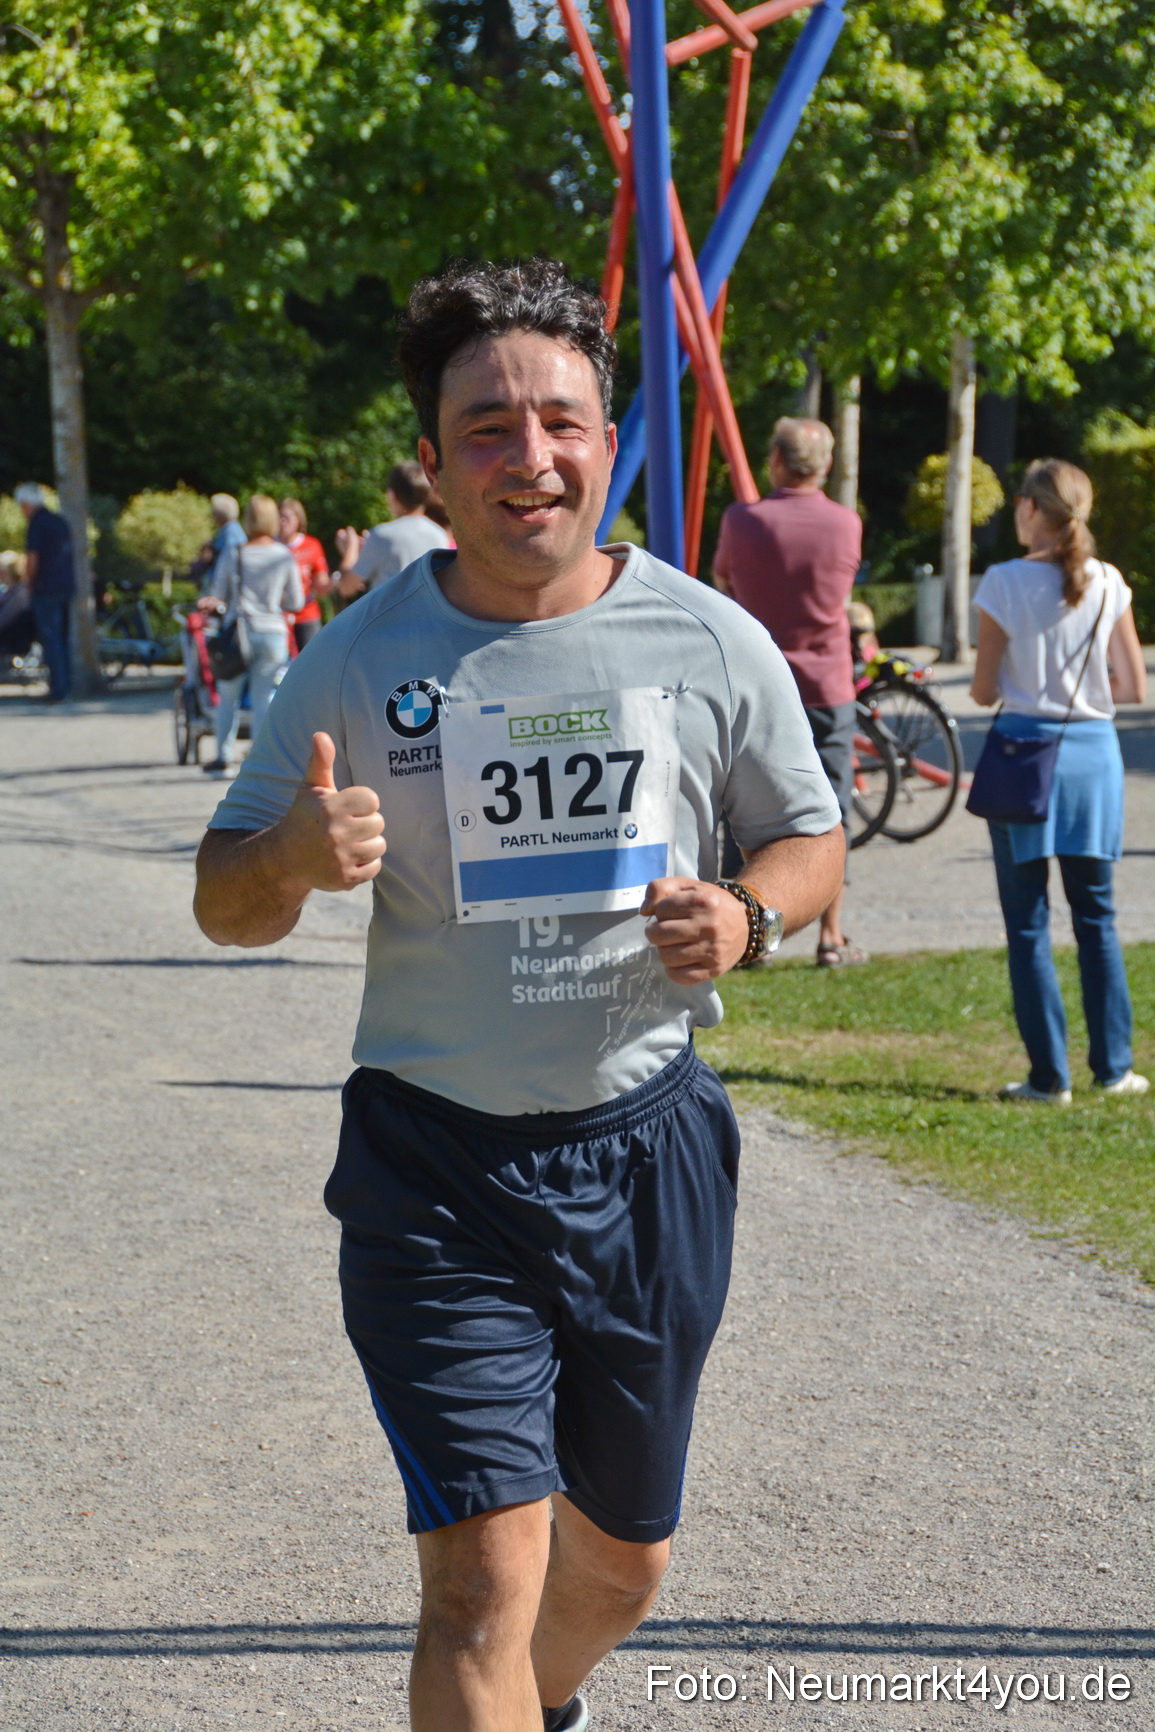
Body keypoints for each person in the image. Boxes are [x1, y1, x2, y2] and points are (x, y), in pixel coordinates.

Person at [193, 258, 843, 1732]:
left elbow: (809, 840)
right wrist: (289, 855)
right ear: (433, 463)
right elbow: (223, 898)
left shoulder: (707, 638)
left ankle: (542, 1707)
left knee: (616, 1570)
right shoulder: (358, 659)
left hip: (646, 1150)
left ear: (608, 445)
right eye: (485, 428)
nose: (527, 456)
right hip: (435, 1167)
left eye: (559, 423)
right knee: (482, 1585)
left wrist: (748, 914)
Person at [971, 458, 1148, 1102]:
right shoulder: (1109, 581)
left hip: (1025, 758)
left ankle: (1049, 1077)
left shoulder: (1003, 581)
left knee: (1027, 924)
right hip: (1093, 757)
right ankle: (1115, 1068)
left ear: (1028, 507)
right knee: (1097, 917)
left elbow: (983, 690)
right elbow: (1131, 687)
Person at [712, 418, 865, 966]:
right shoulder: (846, 523)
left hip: (756, 684)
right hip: (827, 685)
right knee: (830, 814)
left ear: (776, 460)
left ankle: (744, 933)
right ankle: (831, 935)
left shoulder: (742, 520)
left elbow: (722, 585)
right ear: (825, 465)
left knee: (743, 812)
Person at [198, 494, 303, 777]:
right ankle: (260, 759)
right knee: (264, 697)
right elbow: (296, 601)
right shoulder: (284, 555)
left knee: (228, 696)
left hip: (238, 634)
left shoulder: (235, 553)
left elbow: (219, 594)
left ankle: (223, 757)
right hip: (273, 634)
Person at [335, 460, 449, 598]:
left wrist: (351, 550)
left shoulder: (382, 535)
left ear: (392, 495)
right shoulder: (439, 534)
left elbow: (346, 587)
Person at [16, 483, 74, 703]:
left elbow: (33, 558)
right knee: (63, 639)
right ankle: (66, 685)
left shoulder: (37, 523)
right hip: (65, 586)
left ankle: (58, 689)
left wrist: (28, 581)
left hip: (45, 588)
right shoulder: (59, 521)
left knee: (51, 639)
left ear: (27, 504)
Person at [278, 497, 330, 652]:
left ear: (298, 519)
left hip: (307, 615)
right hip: (277, 617)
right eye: (279, 517)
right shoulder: (271, 546)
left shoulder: (312, 545)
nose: (282, 522)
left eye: (286, 518)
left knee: (311, 659)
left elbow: (321, 585)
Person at [209, 493, 247, 580]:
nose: (211, 516)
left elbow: (228, 563)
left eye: (213, 512)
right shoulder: (228, 530)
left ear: (220, 514)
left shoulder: (231, 534)